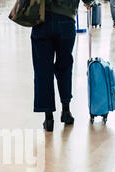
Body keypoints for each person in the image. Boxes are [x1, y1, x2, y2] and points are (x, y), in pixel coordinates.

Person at [31, 0, 94, 132]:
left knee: (43, 70)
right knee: (64, 66)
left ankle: (48, 118)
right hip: (66, 20)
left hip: (42, 20)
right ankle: (66, 111)